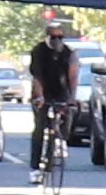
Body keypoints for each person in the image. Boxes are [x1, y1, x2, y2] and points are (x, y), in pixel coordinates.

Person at [26, 19, 78, 174]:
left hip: (61, 90)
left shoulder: (69, 53)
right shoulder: (39, 51)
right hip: (43, 90)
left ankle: (60, 142)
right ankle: (35, 167)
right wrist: (40, 97)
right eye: (53, 38)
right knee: (40, 127)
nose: (57, 41)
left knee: (66, 118)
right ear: (47, 37)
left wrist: (71, 98)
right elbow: (37, 76)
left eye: (60, 38)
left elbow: (73, 76)